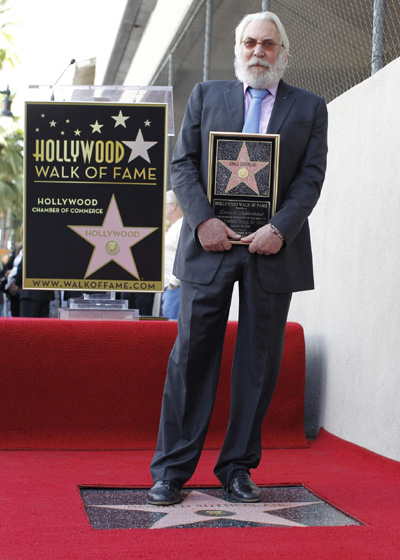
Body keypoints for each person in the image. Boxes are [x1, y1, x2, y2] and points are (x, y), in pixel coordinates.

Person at [147, 10, 328, 506]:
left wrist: (280, 229)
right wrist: (202, 219)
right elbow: (182, 162)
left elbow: (310, 179)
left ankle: (237, 468)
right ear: (238, 48)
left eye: (268, 44)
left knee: (258, 362)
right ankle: (171, 471)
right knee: (190, 358)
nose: (258, 52)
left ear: (283, 52)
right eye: (250, 42)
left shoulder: (310, 108)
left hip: (272, 252)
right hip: (209, 247)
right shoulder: (207, 96)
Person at [161, 190, 183, 320]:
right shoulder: (175, 226)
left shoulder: (181, 226)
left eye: (165, 204)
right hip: (171, 288)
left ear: (174, 205)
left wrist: (173, 283)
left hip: (176, 288)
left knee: (171, 330)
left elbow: (181, 256)